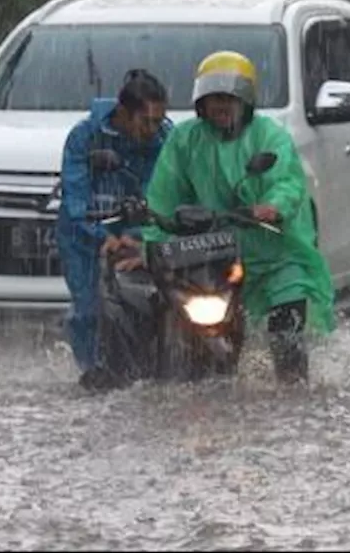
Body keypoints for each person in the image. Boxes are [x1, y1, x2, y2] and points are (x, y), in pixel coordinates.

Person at [130, 50, 336, 384]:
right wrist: (152, 246)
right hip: (215, 254)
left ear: (245, 100)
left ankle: (294, 397)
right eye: (214, 100)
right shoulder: (185, 140)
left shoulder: (270, 136)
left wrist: (272, 206)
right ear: (201, 103)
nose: (221, 107)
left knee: (288, 343)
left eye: (229, 98)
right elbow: (163, 196)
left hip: (276, 252)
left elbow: (287, 182)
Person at [55, 69, 170, 390]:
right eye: (145, 122)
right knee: (89, 310)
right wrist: (101, 236)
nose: (152, 130)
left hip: (142, 234)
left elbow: (166, 192)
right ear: (122, 112)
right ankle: (92, 375)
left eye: (158, 122)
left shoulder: (165, 139)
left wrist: (139, 236)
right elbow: (74, 201)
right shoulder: (84, 136)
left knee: (158, 304)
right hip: (84, 237)